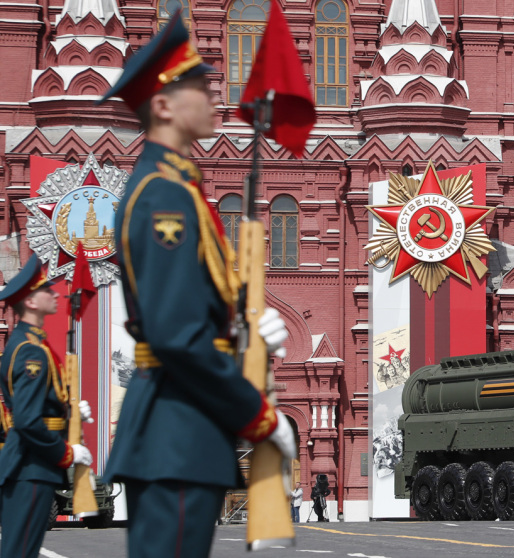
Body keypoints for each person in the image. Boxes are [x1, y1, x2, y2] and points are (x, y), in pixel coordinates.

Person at [96, 11, 294, 558]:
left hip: (181, 429)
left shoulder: (178, 188)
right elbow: (177, 334)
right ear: (162, 106)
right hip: (175, 430)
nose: (215, 99)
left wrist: (246, 329)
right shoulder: (165, 198)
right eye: (200, 88)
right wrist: (256, 414)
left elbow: (194, 312)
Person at [0, 255, 94, 558]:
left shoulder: (32, 345)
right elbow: (27, 420)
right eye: (46, 290)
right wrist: (66, 454)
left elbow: (37, 406)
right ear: (30, 302)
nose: (55, 294)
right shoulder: (31, 352)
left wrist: (69, 414)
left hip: (32, 464)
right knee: (20, 552)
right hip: (32, 464)